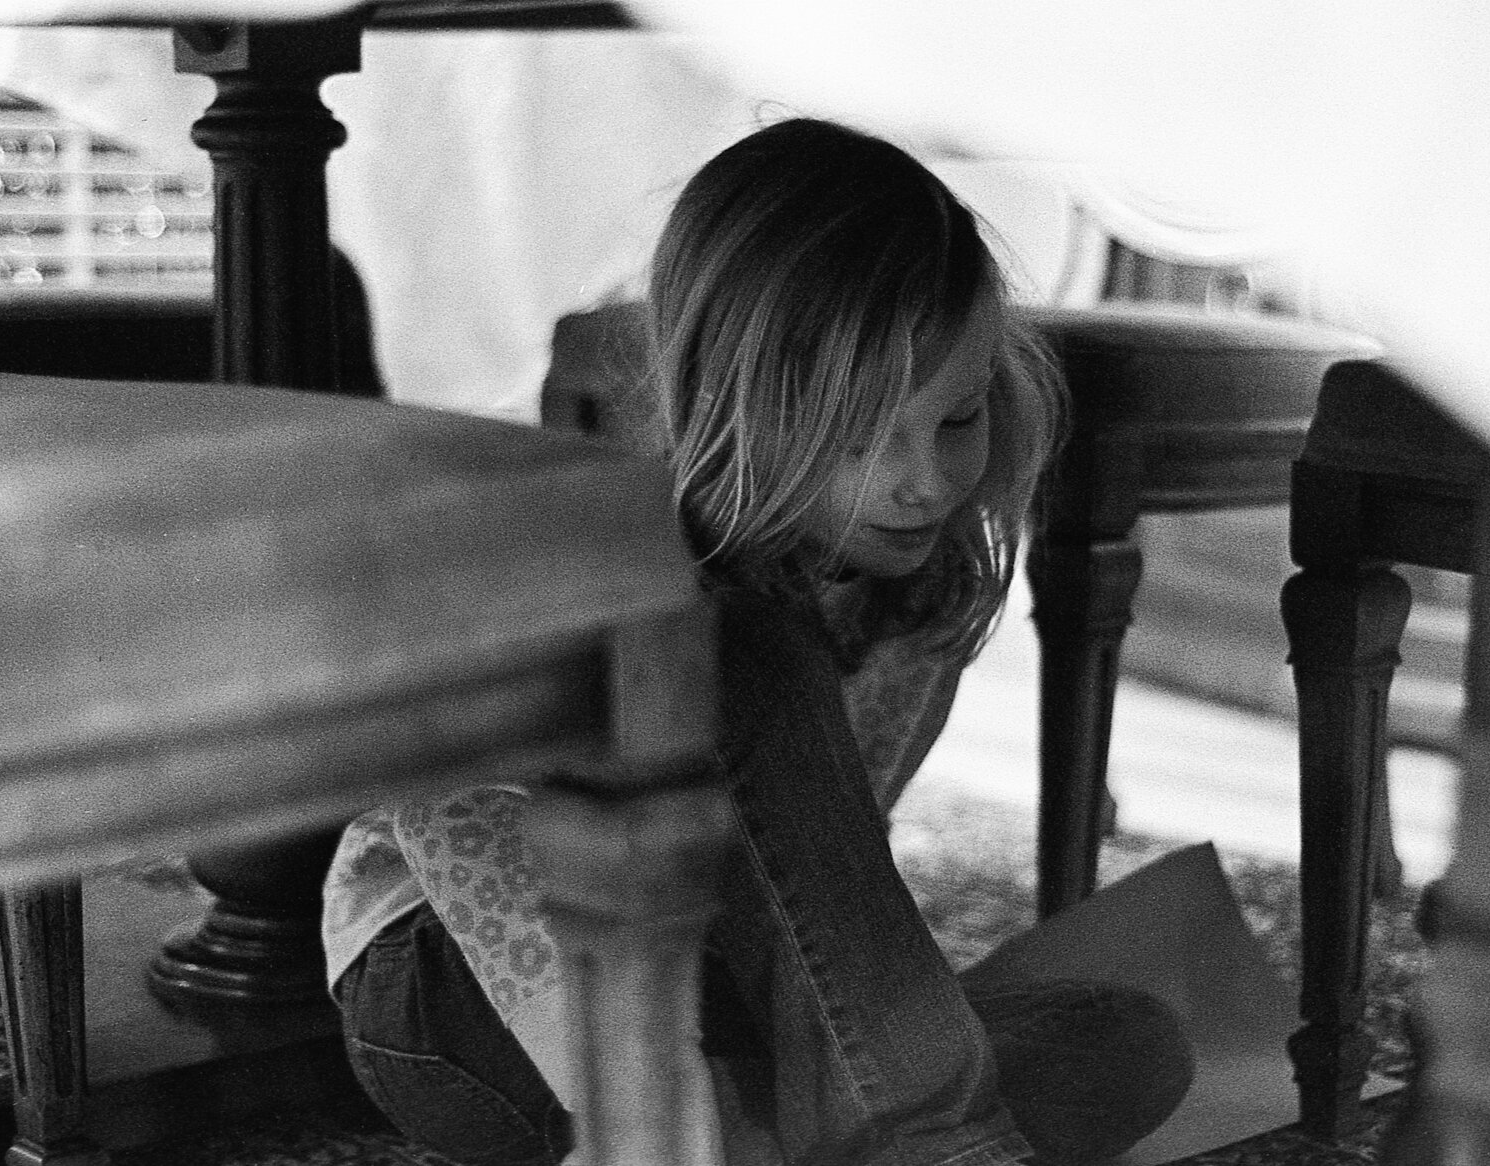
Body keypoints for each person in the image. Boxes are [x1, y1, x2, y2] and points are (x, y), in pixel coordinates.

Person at [322, 116, 1193, 1166]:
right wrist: (661, 1100)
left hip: (709, 966)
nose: (922, 479)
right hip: (473, 980)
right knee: (746, 641)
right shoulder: (622, 562)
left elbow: (816, 881)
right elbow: (458, 821)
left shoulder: (910, 588)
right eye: (863, 434)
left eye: (955, 419)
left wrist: (800, 1059)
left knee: (1133, 1038)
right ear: (743, 405)